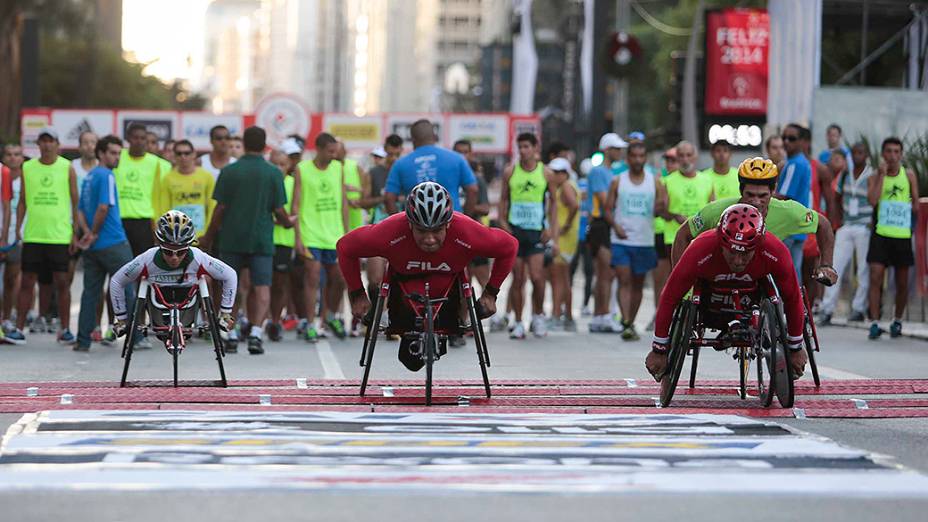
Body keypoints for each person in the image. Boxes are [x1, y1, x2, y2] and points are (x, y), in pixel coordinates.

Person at [336, 182, 517, 371]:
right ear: (409, 224)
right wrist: (357, 293)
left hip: (449, 292)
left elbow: (510, 246)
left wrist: (490, 293)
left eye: (437, 231)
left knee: (446, 331)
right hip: (404, 291)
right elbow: (345, 247)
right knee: (411, 362)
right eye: (421, 231)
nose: (429, 239)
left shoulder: (466, 231)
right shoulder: (390, 230)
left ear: (448, 223)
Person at [647, 203, 808, 380]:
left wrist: (795, 348)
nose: (738, 261)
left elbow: (792, 298)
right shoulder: (701, 248)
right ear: (720, 242)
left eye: (746, 253)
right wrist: (659, 348)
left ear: (759, 245)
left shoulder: (775, 251)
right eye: (731, 252)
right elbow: (670, 297)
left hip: (751, 299)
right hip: (710, 305)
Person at [672, 158, 838, 287]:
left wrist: (826, 265)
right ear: (740, 190)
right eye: (750, 194)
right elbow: (683, 235)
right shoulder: (717, 211)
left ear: (773, 191)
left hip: (765, 274)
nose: (756, 202)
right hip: (723, 272)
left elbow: (822, 224)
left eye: (763, 196)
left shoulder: (788, 211)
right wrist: (681, 279)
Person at [200, 126, 291, 355]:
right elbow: (279, 210)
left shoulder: (229, 171)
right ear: (263, 146)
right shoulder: (273, 173)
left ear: (246, 144)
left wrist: (209, 237)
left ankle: (229, 333)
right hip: (261, 238)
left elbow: (220, 208)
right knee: (261, 287)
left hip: (231, 238)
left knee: (231, 285)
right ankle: (255, 334)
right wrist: (288, 222)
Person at [109, 211, 238, 346]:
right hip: (157, 302)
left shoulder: (199, 257)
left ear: (189, 246)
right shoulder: (147, 258)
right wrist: (122, 318)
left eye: (181, 252)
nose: (174, 258)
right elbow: (117, 281)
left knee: (205, 282)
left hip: (189, 302)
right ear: (159, 245)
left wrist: (225, 312)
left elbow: (230, 275)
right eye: (168, 252)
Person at [15, 128, 80, 344]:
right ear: (38, 145)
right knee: (27, 281)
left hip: (59, 235)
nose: (46, 145)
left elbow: (74, 201)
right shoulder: (28, 167)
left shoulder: (67, 167)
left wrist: (74, 232)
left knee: (62, 282)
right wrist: (18, 227)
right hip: (34, 234)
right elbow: (23, 200)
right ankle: (19, 328)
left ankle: (64, 329)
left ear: (57, 144)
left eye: (50, 140)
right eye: (42, 141)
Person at [74, 135, 136, 352]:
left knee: (90, 292)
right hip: (113, 242)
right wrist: (95, 232)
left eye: (119, 153)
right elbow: (103, 207)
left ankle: (83, 340)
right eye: (112, 152)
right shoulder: (107, 175)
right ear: (101, 153)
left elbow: (80, 209)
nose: (117, 157)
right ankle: (135, 338)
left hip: (93, 246)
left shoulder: (90, 176)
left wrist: (87, 234)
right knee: (127, 288)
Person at [604, 141, 668, 341]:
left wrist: (661, 207)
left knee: (638, 283)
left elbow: (661, 209)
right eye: (634, 156)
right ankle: (625, 320)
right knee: (624, 279)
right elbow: (607, 209)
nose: (638, 160)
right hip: (622, 240)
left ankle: (630, 322)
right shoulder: (618, 181)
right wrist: (616, 226)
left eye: (641, 156)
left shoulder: (654, 181)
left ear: (645, 158)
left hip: (644, 240)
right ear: (628, 158)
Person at [293, 132, 349, 343]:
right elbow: (296, 204)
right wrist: (298, 237)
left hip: (334, 234)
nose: (334, 155)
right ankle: (309, 323)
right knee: (313, 277)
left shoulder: (338, 168)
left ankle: (331, 316)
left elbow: (343, 202)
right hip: (311, 233)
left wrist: (346, 233)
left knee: (339, 278)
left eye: (336, 151)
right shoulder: (302, 169)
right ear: (318, 148)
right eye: (330, 151)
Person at [499, 132, 554, 339]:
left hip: (536, 232)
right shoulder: (510, 172)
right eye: (519, 147)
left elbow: (554, 203)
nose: (523, 151)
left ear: (535, 148)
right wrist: (503, 223)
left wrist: (551, 228)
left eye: (526, 147)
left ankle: (538, 317)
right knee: (518, 278)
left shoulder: (545, 173)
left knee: (538, 277)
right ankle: (519, 321)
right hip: (515, 231)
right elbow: (503, 199)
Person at [866, 137, 919, 340]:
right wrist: (881, 175)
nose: (893, 156)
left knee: (902, 282)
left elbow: (914, 202)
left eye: (897, 152)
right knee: (875, 277)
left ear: (901, 154)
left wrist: (907, 209)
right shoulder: (875, 176)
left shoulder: (910, 175)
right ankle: (874, 322)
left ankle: (897, 320)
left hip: (901, 234)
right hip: (880, 234)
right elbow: (872, 200)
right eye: (889, 151)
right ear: (883, 154)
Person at [819, 143, 873, 324]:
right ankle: (827, 309)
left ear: (866, 155)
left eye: (861, 153)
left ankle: (858, 309)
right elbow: (836, 197)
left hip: (864, 226)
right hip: (847, 225)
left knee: (864, 269)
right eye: (855, 153)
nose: (857, 156)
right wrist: (837, 221)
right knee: (835, 265)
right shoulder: (845, 174)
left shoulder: (871, 175)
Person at [384, 119, 477, 215]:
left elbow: (389, 198)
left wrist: (401, 225)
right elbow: (473, 190)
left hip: (415, 227)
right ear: (434, 137)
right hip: (452, 223)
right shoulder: (456, 159)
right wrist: (465, 220)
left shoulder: (401, 164)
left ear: (413, 139)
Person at [587, 133, 628, 333]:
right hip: (600, 225)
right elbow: (606, 202)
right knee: (606, 272)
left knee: (605, 272)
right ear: (607, 150)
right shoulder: (598, 172)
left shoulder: (610, 172)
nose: (620, 152)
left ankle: (599, 315)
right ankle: (603, 315)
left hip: (605, 224)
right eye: (616, 148)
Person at [267, 145, 300, 342]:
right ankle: (255, 321)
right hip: (264, 239)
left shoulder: (292, 183)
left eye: (282, 164)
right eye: (275, 164)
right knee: (260, 283)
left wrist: (297, 238)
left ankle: (275, 321)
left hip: (284, 241)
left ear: (289, 166)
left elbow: (295, 213)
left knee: (280, 284)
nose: (279, 168)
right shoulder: (265, 181)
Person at [661, 140, 714, 265]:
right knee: (677, 276)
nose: (685, 159)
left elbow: (712, 210)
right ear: (677, 158)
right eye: (681, 155)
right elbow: (660, 211)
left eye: (689, 155)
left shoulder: (707, 180)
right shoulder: (667, 181)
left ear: (695, 157)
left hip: (700, 237)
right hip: (674, 238)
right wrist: (674, 216)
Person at [114, 123, 163, 257]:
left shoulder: (154, 162)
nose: (139, 141)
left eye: (143, 138)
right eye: (135, 138)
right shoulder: (118, 156)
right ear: (128, 138)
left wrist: (156, 224)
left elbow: (157, 195)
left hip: (144, 220)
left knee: (141, 264)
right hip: (119, 218)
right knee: (119, 264)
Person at [775, 124, 813, 277]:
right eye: (784, 137)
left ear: (802, 142)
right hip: (798, 225)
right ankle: (797, 301)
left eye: (791, 138)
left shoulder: (794, 164)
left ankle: (790, 301)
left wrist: (759, 195)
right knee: (794, 271)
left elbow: (783, 196)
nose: (786, 142)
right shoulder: (802, 162)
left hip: (788, 226)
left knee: (785, 272)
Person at [647, 147, 678, 331]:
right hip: (660, 234)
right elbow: (655, 208)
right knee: (660, 278)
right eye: (668, 160)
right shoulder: (661, 182)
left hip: (679, 235)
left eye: (673, 160)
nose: (671, 164)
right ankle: (659, 314)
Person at [157, 140, 215, 238]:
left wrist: (208, 234)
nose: (183, 157)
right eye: (179, 154)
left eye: (187, 153)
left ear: (194, 154)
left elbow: (212, 206)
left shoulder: (207, 176)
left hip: (201, 235)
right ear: (174, 156)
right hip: (177, 236)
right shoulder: (168, 178)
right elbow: (164, 208)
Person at [548, 157, 579, 332]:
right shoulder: (568, 185)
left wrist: (565, 225)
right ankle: (568, 316)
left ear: (565, 173)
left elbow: (573, 205)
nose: (555, 175)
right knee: (565, 278)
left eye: (558, 172)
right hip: (567, 238)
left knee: (558, 278)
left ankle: (555, 315)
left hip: (564, 238)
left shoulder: (566, 186)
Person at [0, 144, 25, 343]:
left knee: (12, 279)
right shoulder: (4, 174)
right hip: (4, 235)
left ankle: (7, 319)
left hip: (18, 235)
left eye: (17, 154)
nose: (13, 158)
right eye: (9, 154)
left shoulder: (26, 178)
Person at [336, 140, 368, 232]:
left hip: (356, 209)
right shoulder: (330, 168)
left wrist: (360, 199)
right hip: (338, 210)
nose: (335, 155)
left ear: (344, 152)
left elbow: (365, 188)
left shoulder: (354, 166)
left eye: (339, 151)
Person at [71, 131, 98, 196]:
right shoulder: (72, 166)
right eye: (85, 143)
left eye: (93, 143)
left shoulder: (103, 167)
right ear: (79, 147)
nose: (90, 146)